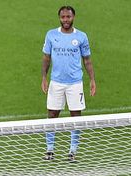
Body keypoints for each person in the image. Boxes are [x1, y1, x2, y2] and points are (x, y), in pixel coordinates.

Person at [41, 5, 96, 162]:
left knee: (76, 117)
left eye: (68, 17)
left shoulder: (81, 37)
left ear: (74, 17)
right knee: (52, 115)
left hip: (75, 84)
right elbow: (46, 57)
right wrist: (44, 77)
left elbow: (87, 60)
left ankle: (72, 151)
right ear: (59, 18)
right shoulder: (51, 35)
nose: (66, 20)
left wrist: (92, 79)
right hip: (56, 82)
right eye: (63, 17)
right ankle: (50, 150)